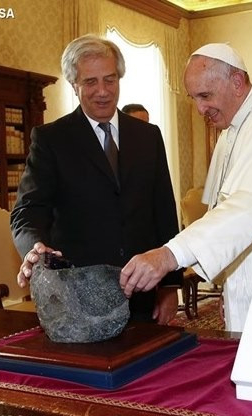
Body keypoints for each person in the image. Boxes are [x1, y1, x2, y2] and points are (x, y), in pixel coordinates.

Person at [119, 43, 252, 332]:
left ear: (236, 82)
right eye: (194, 98)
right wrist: (230, 287)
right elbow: (224, 213)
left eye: (205, 96)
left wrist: (170, 254)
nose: (200, 108)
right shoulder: (231, 129)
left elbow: (249, 208)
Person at [11, 34, 181, 324]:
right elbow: (28, 211)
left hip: (142, 290)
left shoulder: (148, 136)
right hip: (78, 296)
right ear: (74, 85)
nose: (103, 91)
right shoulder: (51, 139)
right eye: (90, 82)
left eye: (110, 80)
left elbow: (163, 211)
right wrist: (34, 248)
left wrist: (169, 286)